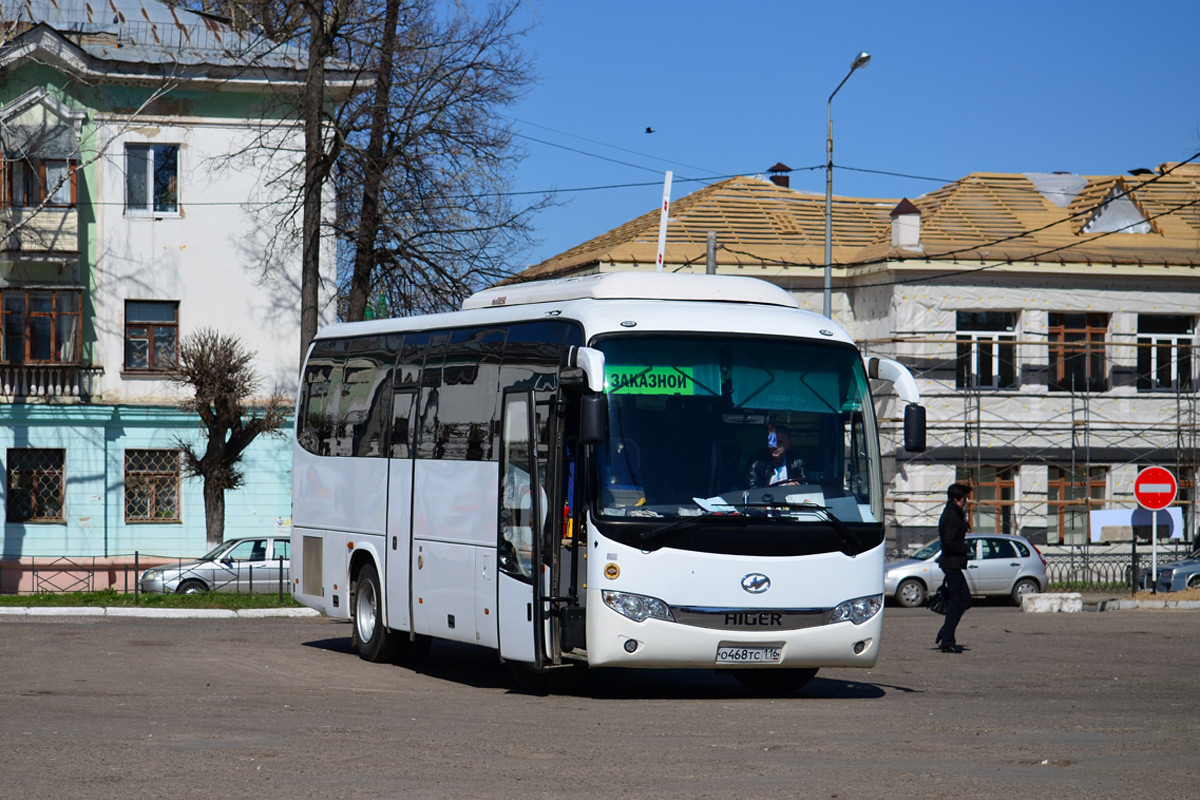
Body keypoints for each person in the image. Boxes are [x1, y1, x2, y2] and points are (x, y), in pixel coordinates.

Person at [935, 482, 973, 653]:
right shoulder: (951, 515)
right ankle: (947, 640)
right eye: (965, 498)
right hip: (952, 563)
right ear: (956, 498)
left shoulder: (954, 513)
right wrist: (964, 549)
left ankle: (946, 632)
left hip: (954, 563)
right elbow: (949, 541)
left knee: (964, 599)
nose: (966, 501)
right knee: (956, 601)